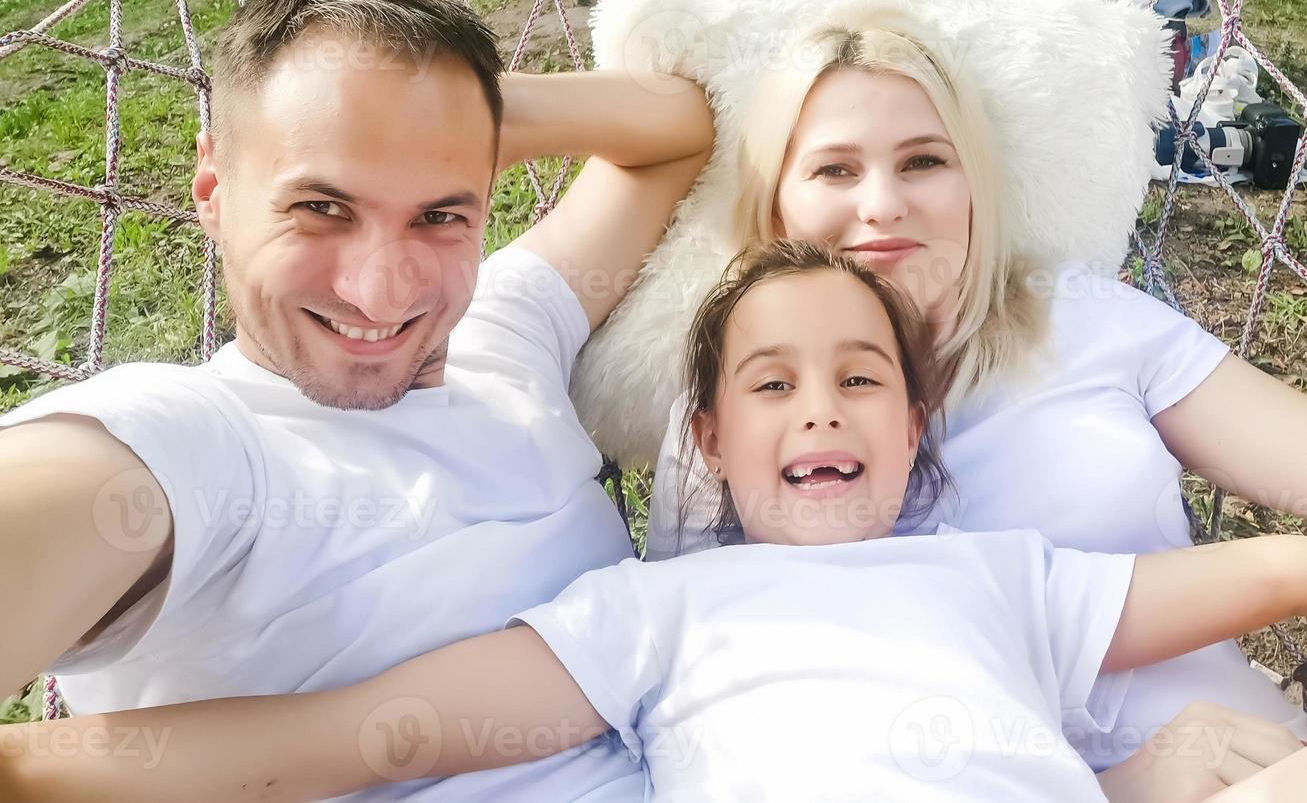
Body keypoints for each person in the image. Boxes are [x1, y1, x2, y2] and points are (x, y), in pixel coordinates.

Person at [5, 239, 1307, 802]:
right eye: (769, 384)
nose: (818, 413)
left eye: (859, 380)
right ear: (705, 440)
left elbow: (1262, 572)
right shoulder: (652, 614)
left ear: (912, 430)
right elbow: (348, 738)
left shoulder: (1007, 578)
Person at [0, 0, 714, 800]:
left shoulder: (501, 337)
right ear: (213, 192)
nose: (380, 292)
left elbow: (682, 128)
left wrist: (466, 110)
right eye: (321, 209)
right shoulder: (187, 445)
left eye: (440, 215)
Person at [644, 26, 1307, 767]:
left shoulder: (1084, 321)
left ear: (973, 184)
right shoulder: (738, 428)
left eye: (922, 161)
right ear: (775, 209)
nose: (883, 205)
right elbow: (704, 701)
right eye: (834, 170)